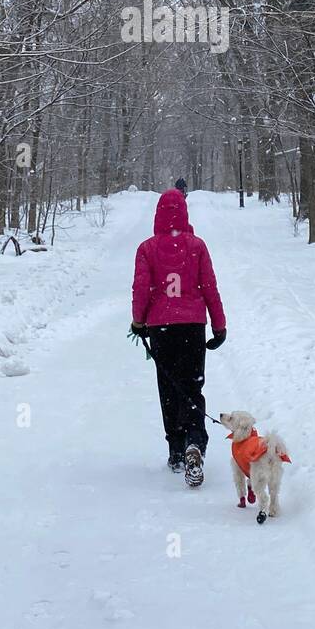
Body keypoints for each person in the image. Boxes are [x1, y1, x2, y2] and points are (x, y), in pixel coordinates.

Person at [131, 189, 226, 487]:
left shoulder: (147, 248)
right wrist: (219, 325)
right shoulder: (197, 246)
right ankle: (195, 441)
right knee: (193, 385)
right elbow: (209, 286)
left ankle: (175, 449)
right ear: (184, 213)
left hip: (161, 327)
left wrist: (138, 321)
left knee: (169, 388)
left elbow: (141, 287)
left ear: (158, 213)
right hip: (193, 326)